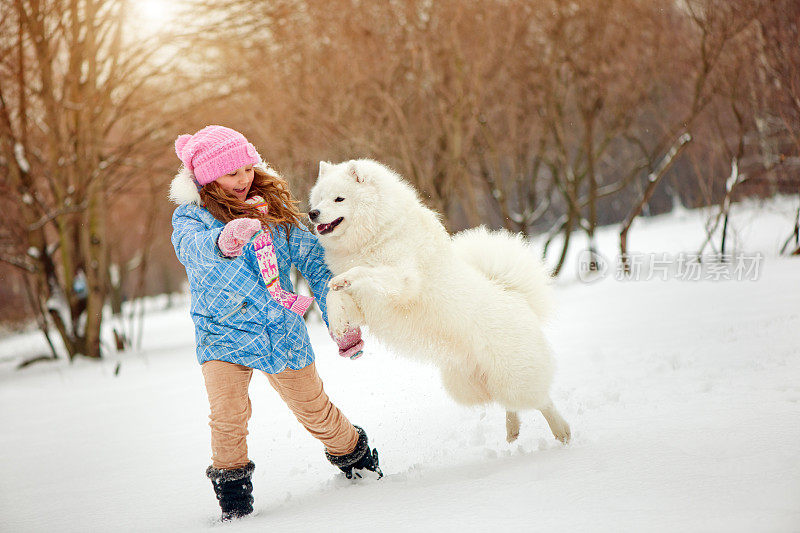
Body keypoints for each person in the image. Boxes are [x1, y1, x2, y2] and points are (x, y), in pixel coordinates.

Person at [169, 125, 381, 521]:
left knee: (315, 411)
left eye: (247, 168)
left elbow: (316, 264)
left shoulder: (276, 211)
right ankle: (234, 506)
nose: (243, 178)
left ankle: (358, 460)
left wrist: (340, 317)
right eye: (231, 173)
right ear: (208, 177)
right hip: (221, 332)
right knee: (227, 418)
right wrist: (224, 241)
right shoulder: (192, 217)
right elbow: (190, 251)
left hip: (277, 330)